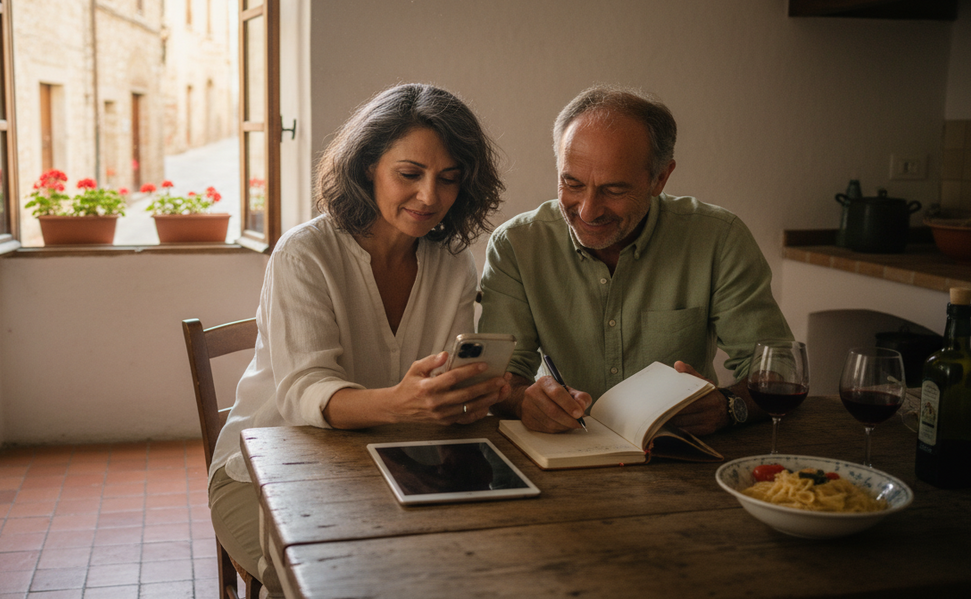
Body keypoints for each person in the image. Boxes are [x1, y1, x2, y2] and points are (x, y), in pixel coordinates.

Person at [208, 84, 508, 595]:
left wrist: (468, 394)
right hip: (264, 469)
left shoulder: (453, 264)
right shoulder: (304, 254)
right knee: (329, 581)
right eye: (409, 174)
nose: (430, 196)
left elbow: (445, 383)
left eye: (449, 179)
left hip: (392, 461)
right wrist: (400, 405)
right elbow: (305, 391)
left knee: (471, 563)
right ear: (368, 166)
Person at [479, 85, 793, 437]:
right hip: (564, 449)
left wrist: (727, 407)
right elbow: (499, 377)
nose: (588, 210)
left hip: (680, 458)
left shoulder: (720, 238)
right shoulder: (516, 245)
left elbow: (778, 370)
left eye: (614, 190)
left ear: (660, 178)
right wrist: (524, 401)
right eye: (572, 183)